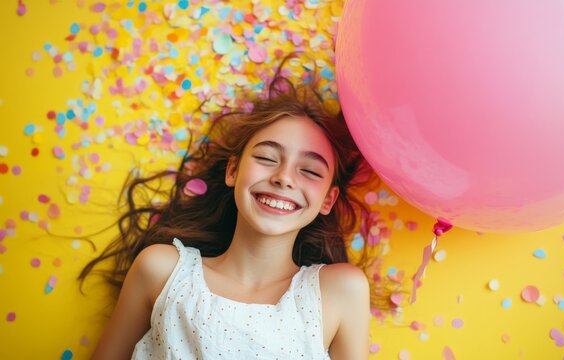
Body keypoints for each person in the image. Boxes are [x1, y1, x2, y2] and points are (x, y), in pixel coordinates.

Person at [81, 56, 376, 359]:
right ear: (233, 171)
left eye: (310, 171)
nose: (284, 178)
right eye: (266, 158)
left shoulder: (340, 290)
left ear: (328, 199)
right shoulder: (162, 270)